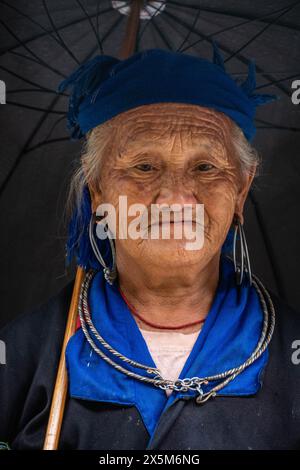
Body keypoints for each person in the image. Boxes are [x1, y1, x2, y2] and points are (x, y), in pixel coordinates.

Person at [0, 46, 300, 450]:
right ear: (98, 188)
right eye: (144, 166)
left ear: (241, 190)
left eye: (206, 167)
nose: (176, 199)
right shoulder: (23, 354)